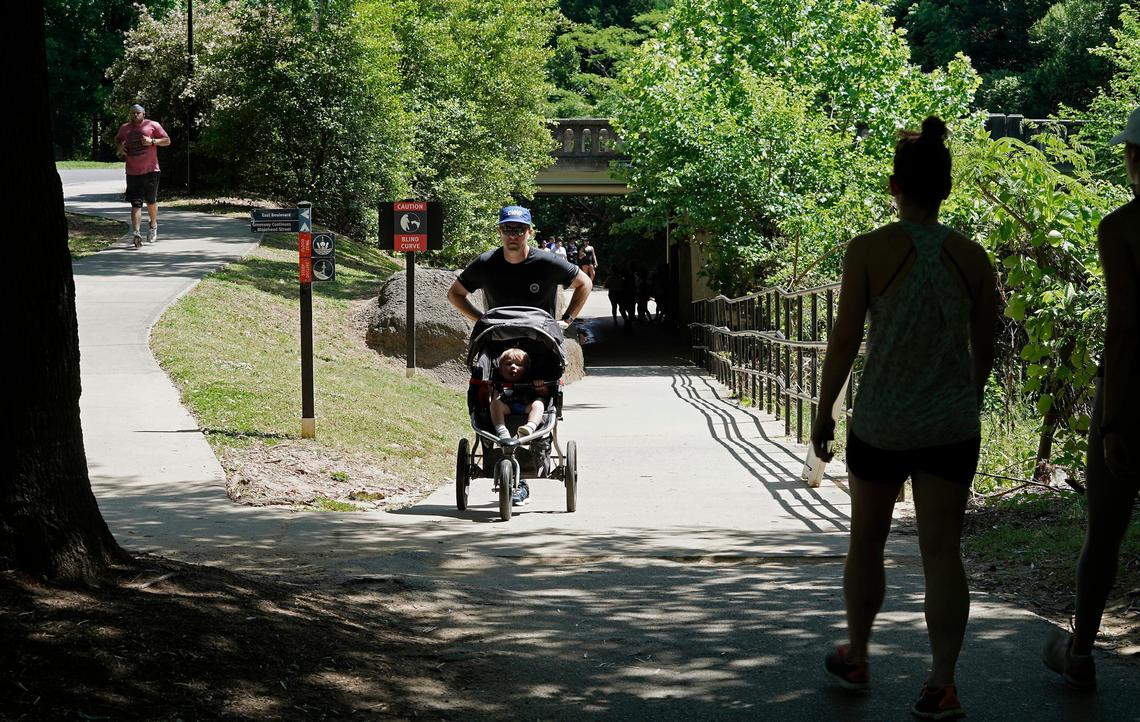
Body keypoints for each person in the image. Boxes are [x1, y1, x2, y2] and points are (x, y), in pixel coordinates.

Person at [811, 117, 995, 719]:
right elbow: (986, 342)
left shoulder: (867, 251)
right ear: (946, 188)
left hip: (882, 421)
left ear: (894, 185)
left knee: (866, 540)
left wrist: (824, 411)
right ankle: (942, 683)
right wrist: (965, 395)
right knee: (943, 553)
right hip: (949, 425)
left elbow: (842, 341)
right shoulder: (972, 257)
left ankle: (859, 654)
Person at [1043, 106, 1140, 690]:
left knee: (1103, 528)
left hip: (1131, 394)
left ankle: (1080, 651)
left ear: (1133, 157)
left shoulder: (1120, 229)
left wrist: (1110, 424)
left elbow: (1126, 328)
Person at [448, 205, 593, 506]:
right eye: (507, 229)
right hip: (497, 342)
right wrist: (481, 319)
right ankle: (499, 448)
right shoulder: (487, 262)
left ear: (529, 232)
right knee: (488, 388)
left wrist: (565, 320)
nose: (513, 235)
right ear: (500, 231)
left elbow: (585, 283)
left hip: (539, 346)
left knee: (539, 396)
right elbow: (455, 293)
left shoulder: (546, 261)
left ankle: (524, 471)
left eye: (519, 229)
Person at [115, 103, 170, 248]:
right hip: (132, 171)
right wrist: (120, 148)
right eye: (132, 113)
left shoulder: (153, 125)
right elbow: (118, 140)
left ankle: (153, 225)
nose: (135, 115)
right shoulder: (124, 128)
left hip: (151, 170)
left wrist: (152, 141)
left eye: (138, 113)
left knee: (151, 201)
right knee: (136, 203)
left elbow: (167, 140)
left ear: (143, 114)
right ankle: (136, 233)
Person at [490, 347, 550, 442]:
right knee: (494, 403)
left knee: (539, 403)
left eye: (519, 365)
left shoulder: (530, 381)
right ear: (500, 370)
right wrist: (489, 390)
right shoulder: (497, 382)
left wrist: (541, 387)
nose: (513, 366)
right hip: (506, 408)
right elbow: (491, 398)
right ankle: (502, 431)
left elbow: (545, 394)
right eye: (509, 364)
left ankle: (529, 428)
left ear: (526, 370)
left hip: (526, 408)